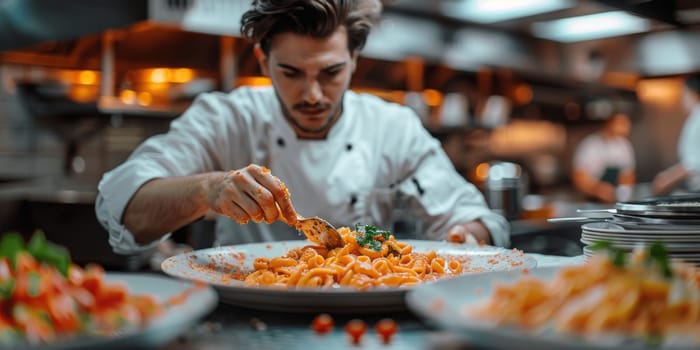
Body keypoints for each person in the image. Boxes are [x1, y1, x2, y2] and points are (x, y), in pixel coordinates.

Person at [95, 0, 509, 256]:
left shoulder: (393, 127)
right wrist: (209, 190)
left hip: (367, 313)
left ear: (355, 60)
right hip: (245, 313)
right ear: (261, 61)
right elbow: (124, 207)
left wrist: (466, 236)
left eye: (330, 73)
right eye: (291, 72)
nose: (312, 94)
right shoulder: (226, 118)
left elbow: (471, 216)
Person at [572, 112, 636, 203]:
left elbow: (628, 174)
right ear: (609, 124)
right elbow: (578, 176)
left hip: (616, 200)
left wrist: (623, 193)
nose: (626, 127)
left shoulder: (624, 145)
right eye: (621, 124)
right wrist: (597, 189)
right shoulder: (590, 145)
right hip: (592, 201)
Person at [652, 74, 700, 195]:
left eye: (683, 93)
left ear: (692, 93)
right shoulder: (695, 117)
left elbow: (694, 162)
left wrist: (667, 178)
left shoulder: (697, 118)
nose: (682, 99)